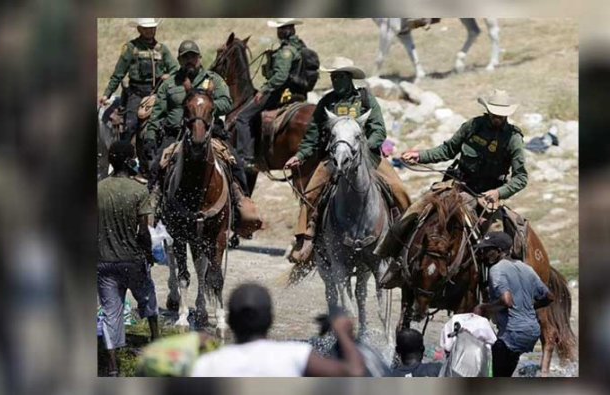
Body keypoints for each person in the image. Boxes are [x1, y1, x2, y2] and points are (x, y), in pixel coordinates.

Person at [374, 89, 528, 286]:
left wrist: (499, 192)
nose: (498, 118)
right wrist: (419, 156)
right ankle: (390, 262)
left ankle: (491, 286)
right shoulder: (473, 126)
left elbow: (521, 177)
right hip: (457, 185)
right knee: (413, 212)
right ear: (488, 111)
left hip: (486, 196)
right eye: (495, 113)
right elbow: (447, 150)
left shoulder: (513, 138)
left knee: (496, 242)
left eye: (501, 114)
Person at [283, 57, 411, 264]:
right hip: (333, 158)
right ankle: (305, 240)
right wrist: (300, 156)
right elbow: (313, 135)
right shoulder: (327, 102)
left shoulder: (366, 99)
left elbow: (379, 129)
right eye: (333, 76)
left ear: (349, 77)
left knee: (398, 188)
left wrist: (365, 146)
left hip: (368, 156)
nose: (334, 80)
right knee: (311, 193)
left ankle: (404, 236)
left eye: (339, 76)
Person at [143, 40, 254, 210]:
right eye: (185, 57)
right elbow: (157, 114)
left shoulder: (213, 80)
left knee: (236, 164)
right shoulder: (169, 84)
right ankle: (152, 207)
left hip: (210, 134)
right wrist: (150, 137)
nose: (190, 61)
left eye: (193, 57)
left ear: (200, 58)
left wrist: (206, 108)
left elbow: (227, 103)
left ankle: (241, 204)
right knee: (157, 167)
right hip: (175, 136)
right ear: (179, 60)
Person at [191, 283, 366, 377]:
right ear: (270, 320)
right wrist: (344, 334)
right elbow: (355, 372)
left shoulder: (206, 364)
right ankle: (308, 240)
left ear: (229, 320)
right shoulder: (295, 354)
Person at [97, 141, 159, 376]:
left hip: (103, 262)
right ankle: (157, 346)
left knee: (111, 314)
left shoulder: (98, 189)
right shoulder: (138, 191)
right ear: (130, 160)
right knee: (149, 300)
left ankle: (113, 369)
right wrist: (149, 253)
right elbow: (143, 231)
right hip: (132, 261)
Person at [471, 232, 554, 377]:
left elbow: (506, 300)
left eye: (487, 250)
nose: (483, 254)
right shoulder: (527, 268)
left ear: (498, 251)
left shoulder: (496, 269)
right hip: (532, 331)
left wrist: (483, 307)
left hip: (512, 333)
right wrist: (529, 307)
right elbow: (549, 296)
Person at [235, 18, 309, 167]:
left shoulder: (286, 51)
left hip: (279, 93)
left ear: (288, 30)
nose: (278, 32)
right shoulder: (298, 46)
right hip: (295, 93)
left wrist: (263, 90)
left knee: (242, 117)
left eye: (280, 29)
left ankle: (246, 158)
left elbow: (280, 77)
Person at [98, 18, 178, 143]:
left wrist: (168, 75)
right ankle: (126, 155)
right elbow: (118, 74)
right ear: (139, 29)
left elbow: (175, 69)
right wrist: (106, 94)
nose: (150, 31)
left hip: (158, 93)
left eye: (152, 28)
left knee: (174, 120)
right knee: (130, 126)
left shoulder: (162, 49)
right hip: (136, 94)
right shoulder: (131, 48)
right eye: (146, 28)